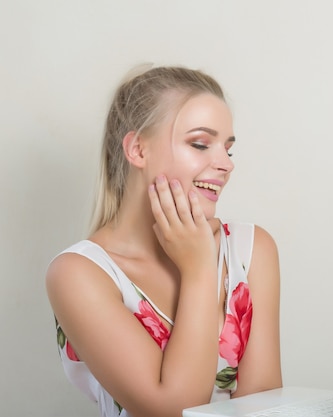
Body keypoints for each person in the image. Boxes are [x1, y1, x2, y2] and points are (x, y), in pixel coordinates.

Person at [45, 65, 282, 417]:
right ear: (138, 150)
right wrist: (200, 268)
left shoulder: (251, 249)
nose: (225, 165)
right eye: (200, 144)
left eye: (228, 150)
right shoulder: (78, 274)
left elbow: (264, 404)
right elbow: (173, 409)